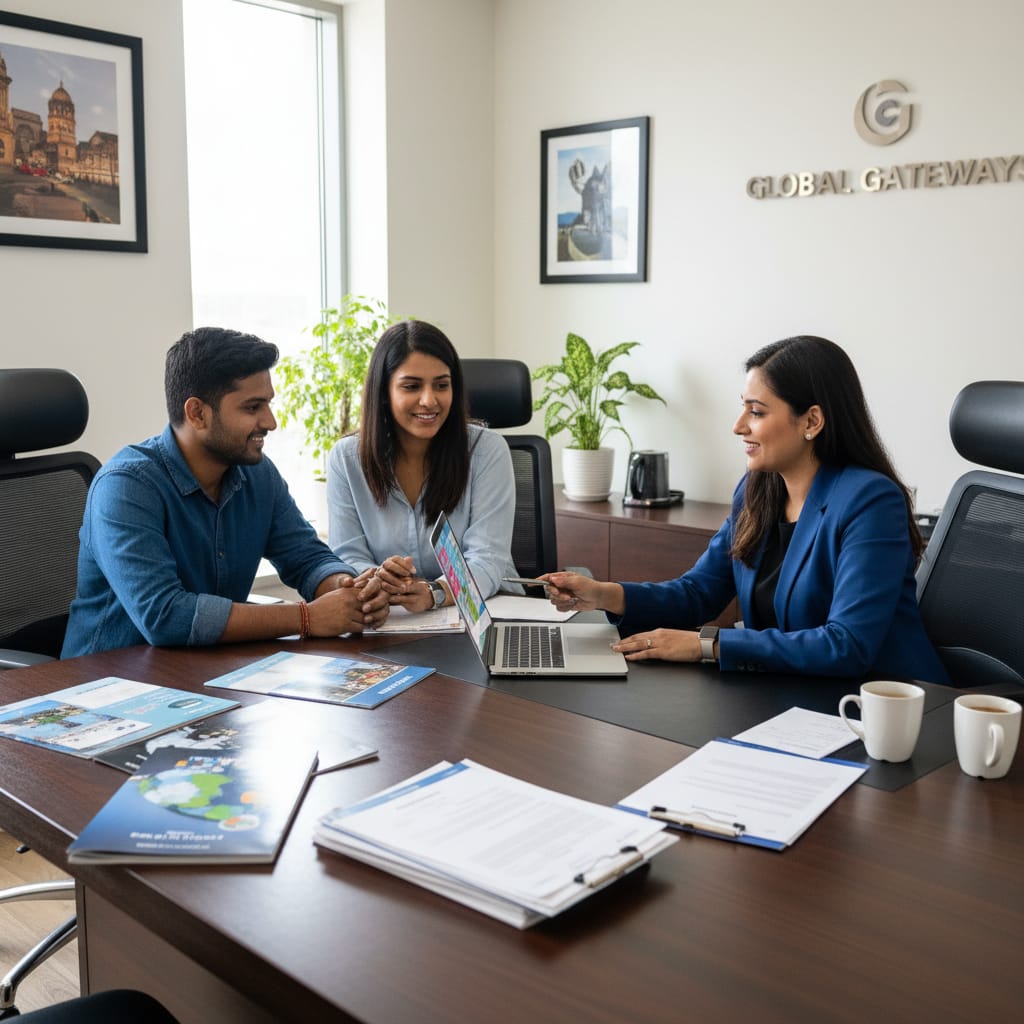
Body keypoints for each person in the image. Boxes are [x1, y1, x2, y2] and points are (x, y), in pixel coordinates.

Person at [543, 335, 949, 683]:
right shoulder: (757, 490)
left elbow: (847, 644)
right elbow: (698, 593)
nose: (738, 426)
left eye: (756, 412)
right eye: (743, 408)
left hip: (888, 709)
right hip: (793, 696)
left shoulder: (870, 501)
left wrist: (707, 645)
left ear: (811, 421)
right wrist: (603, 594)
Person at [61, 327, 388, 659]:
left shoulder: (258, 474)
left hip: (204, 671)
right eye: (252, 407)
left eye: (268, 404)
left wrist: (348, 589)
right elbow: (165, 615)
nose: (271, 422)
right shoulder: (125, 486)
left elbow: (307, 558)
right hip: (103, 681)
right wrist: (307, 618)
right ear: (197, 413)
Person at [326, 319, 517, 613]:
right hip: (391, 618)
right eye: (412, 386)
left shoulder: (487, 451)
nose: (429, 400)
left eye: (441, 385)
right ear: (384, 392)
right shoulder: (346, 459)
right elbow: (347, 557)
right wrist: (380, 580)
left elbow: (486, 559)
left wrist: (435, 593)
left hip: (486, 611)